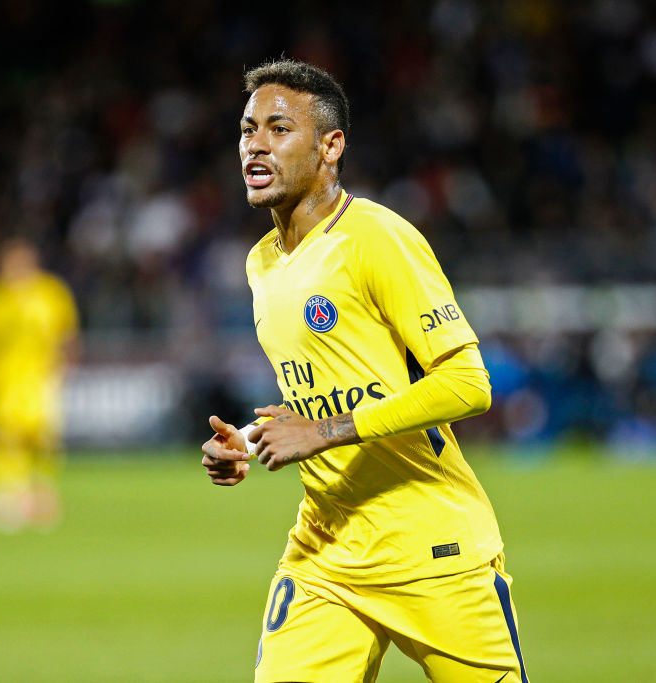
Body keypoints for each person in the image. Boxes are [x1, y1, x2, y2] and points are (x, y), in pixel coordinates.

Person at [201, 59, 529, 682]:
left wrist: (322, 433)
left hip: (431, 548)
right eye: (247, 130)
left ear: (331, 147)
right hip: (325, 555)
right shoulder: (261, 262)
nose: (255, 145)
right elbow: (328, 391)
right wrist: (249, 439)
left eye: (278, 129)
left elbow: (468, 383)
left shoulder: (376, 238)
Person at [0, 238, 79, 532]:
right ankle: (9, 499)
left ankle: (43, 497)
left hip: (42, 380)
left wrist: (65, 372)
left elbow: (67, 337)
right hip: (2, 381)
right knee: (6, 440)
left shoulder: (51, 293)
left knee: (45, 440)